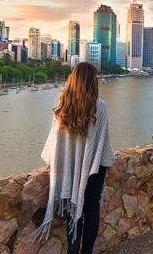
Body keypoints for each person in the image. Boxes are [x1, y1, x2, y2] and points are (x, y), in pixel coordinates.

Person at [32, 62, 114, 254]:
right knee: (91, 211)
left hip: (68, 168)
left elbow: (54, 138)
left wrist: (53, 161)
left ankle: (73, 251)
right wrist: (109, 163)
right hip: (94, 167)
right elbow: (104, 139)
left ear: (73, 79)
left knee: (72, 208)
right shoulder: (100, 106)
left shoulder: (62, 104)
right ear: (92, 81)